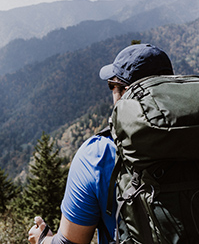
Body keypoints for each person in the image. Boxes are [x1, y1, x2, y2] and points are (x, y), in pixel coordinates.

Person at [28, 43, 174, 244]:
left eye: (113, 85)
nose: (112, 92)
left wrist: (43, 239)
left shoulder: (98, 154)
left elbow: (69, 243)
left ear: (124, 92)